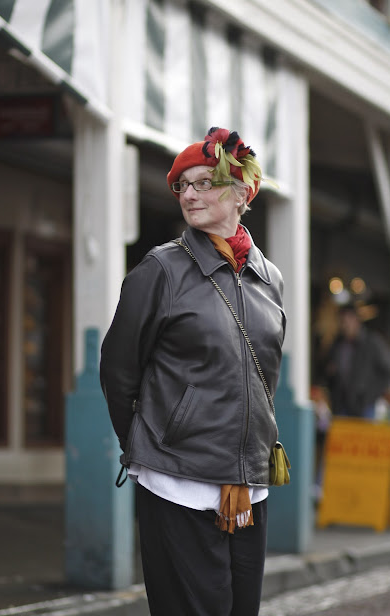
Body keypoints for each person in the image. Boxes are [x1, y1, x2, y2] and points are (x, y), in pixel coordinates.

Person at [100, 127, 286, 616]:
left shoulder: (270, 279)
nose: (189, 194)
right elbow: (118, 372)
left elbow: (263, 381)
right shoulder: (160, 270)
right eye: (182, 185)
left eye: (204, 182)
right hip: (178, 484)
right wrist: (154, 445)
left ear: (242, 192)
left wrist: (247, 461)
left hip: (248, 488)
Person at [324, 304, 390, 418]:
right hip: (341, 406)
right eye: (342, 322)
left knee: (365, 435)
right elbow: (328, 372)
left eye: (348, 321)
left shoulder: (372, 342)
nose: (345, 326)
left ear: (356, 321)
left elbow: (387, 371)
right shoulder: (337, 345)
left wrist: (370, 395)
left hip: (365, 407)